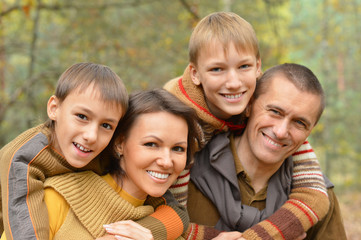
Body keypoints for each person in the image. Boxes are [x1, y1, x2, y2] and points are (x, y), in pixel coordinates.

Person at [163, 12, 330, 239]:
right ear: (195, 74)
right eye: (216, 69)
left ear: (257, 67)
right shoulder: (179, 123)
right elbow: (173, 215)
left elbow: (314, 195)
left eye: (244, 66)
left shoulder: (262, 100)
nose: (233, 83)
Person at [0, 63, 189, 240]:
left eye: (106, 125)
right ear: (54, 109)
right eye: (82, 117)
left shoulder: (99, 150)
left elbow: (178, 213)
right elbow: (23, 224)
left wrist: (145, 232)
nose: (91, 135)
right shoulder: (23, 158)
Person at [188, 63, 347, 240]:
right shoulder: (185, 169)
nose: (280, 131)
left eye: (299, 123)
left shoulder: (319, 196)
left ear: (309, 132)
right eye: (275, 111)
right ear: (249, 106)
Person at [42, 89, 200, 239]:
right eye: (151, 144)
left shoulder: (168, 228)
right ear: (119, 143)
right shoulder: (58, 197)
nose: (166, 162)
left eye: (178, 148)